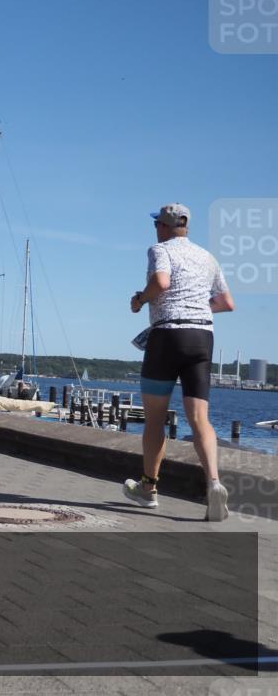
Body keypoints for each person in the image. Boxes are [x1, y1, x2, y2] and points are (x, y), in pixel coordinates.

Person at [124, 203, 235, 521]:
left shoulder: (160, 250)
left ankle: (148, 489)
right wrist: (195, 306)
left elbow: (161, 282)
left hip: (168, 337)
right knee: (200, 418)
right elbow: (227, 302)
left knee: (155, 419)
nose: (155, 230)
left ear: (163, 227)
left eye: (156, 225)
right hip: (201, 337)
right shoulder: (207, 257)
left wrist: (139, 300)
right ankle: (213, 483)